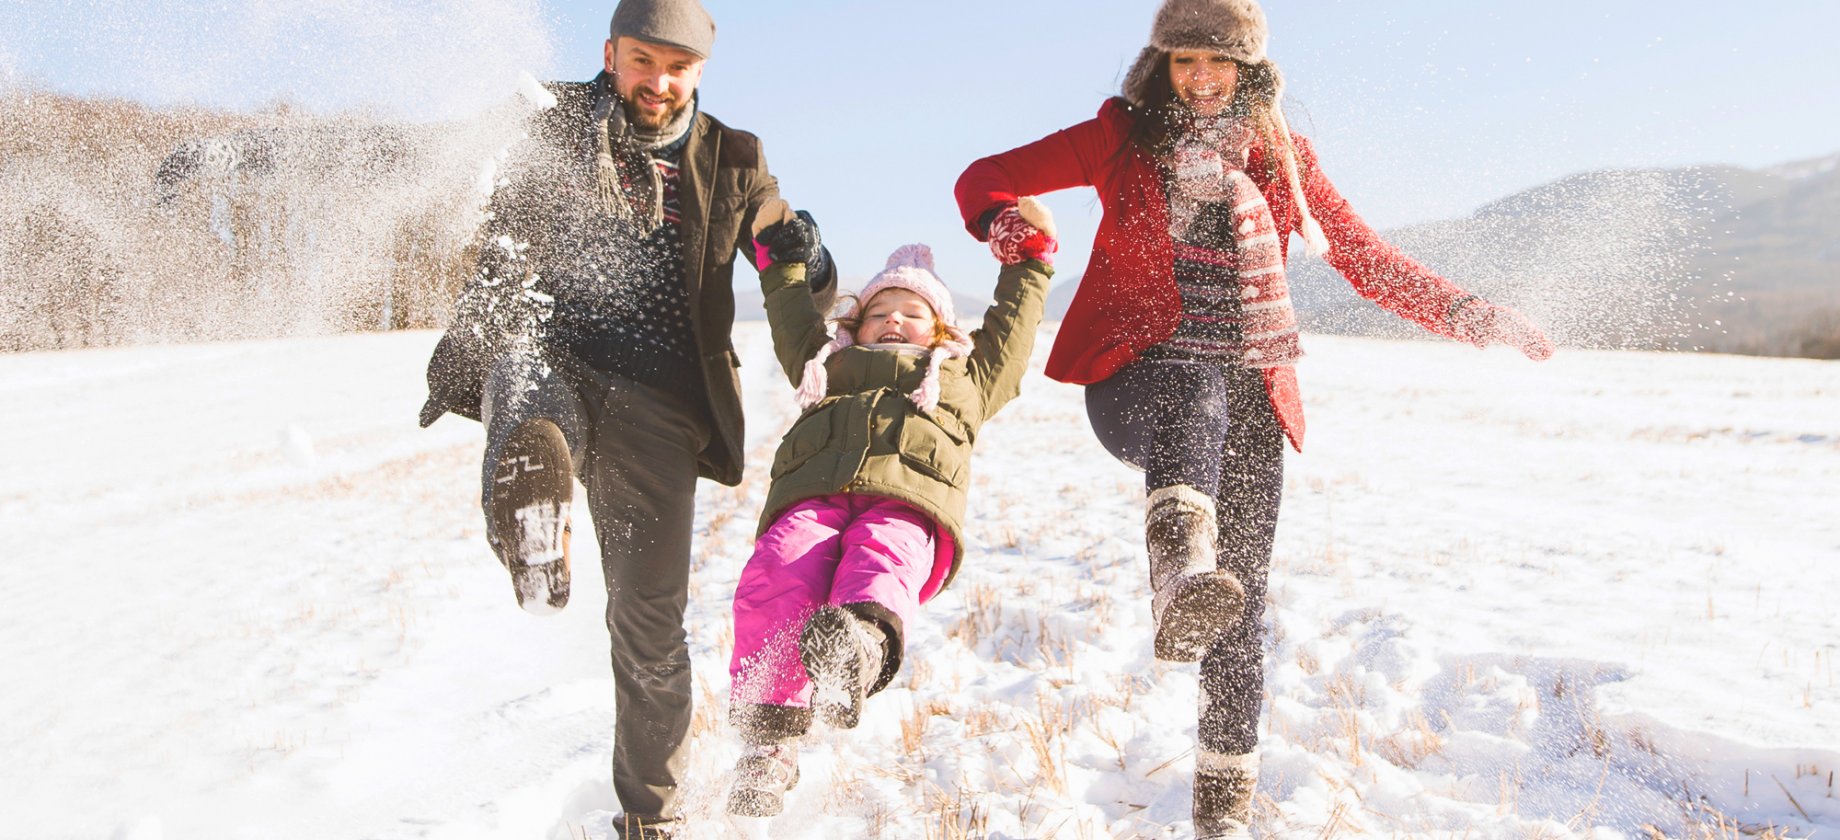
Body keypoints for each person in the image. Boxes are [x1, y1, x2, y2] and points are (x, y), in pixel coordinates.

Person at [953, 0, 1554, 836]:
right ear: (1159, 66)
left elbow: (1362, 257)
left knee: (1241, 602)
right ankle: (1175, 565)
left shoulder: (1283, 159)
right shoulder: (1120, 136)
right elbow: (984, 175)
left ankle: (1223, 809)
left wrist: (1474, 317)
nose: (1200, 80)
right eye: (1183, 62)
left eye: (1218, 63)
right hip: (1136, 383)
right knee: (1199, 379)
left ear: (1250, 69)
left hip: (1251, 401)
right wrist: (1009, 227)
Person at [415, 1, 835, 836]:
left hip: (664, 404)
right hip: (557, 353)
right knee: (526, 374)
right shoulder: (553, 119)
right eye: (643, 61)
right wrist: (245, 157)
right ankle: (533, 508)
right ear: (611, 54)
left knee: (649, 630)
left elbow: (789, 260)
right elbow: (414, 158)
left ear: (700, 73)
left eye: (677, 68)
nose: (659, 82)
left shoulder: (734, 158)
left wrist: (806, 253)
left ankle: (654, 819)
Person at [721, 199, 1057, 818]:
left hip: (906, 502)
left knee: (880, 558)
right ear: (857, 322)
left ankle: (856, 650)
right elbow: (791, 316)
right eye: (879, 312)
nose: (893, 321)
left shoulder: (964, 376)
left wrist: (1030, 262)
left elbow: (1011, 332)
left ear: (940, 329)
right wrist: (778, 257)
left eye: (912, 312)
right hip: (815, 497)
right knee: (776, 568)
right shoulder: (828, 363)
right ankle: (768, 744)